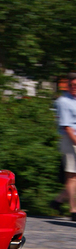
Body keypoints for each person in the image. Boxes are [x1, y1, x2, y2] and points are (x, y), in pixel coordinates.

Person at [50, 73, 76, 221]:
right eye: (71, 85)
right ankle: (73, 210)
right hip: (69, 139)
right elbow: (66, 126)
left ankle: (58, 200)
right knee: (72, 176)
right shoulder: (63, 101)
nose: (73, 88)